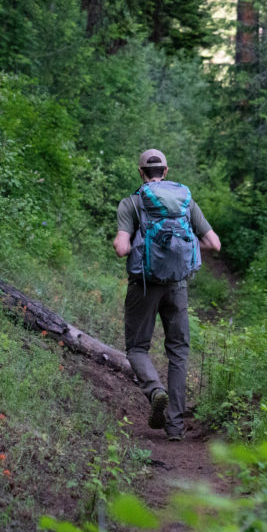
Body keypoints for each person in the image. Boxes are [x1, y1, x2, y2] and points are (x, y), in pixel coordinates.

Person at [113, 149, 221, 441]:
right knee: (178, 353)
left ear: (140, 173)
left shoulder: (132, 203)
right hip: (177, 286)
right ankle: (174, 427)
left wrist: (123, 238)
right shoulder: (185, 201)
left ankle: (154, 390)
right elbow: (214, 243)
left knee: (137, 348)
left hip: (144, 287)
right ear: (166, 170)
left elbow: (122, 248)